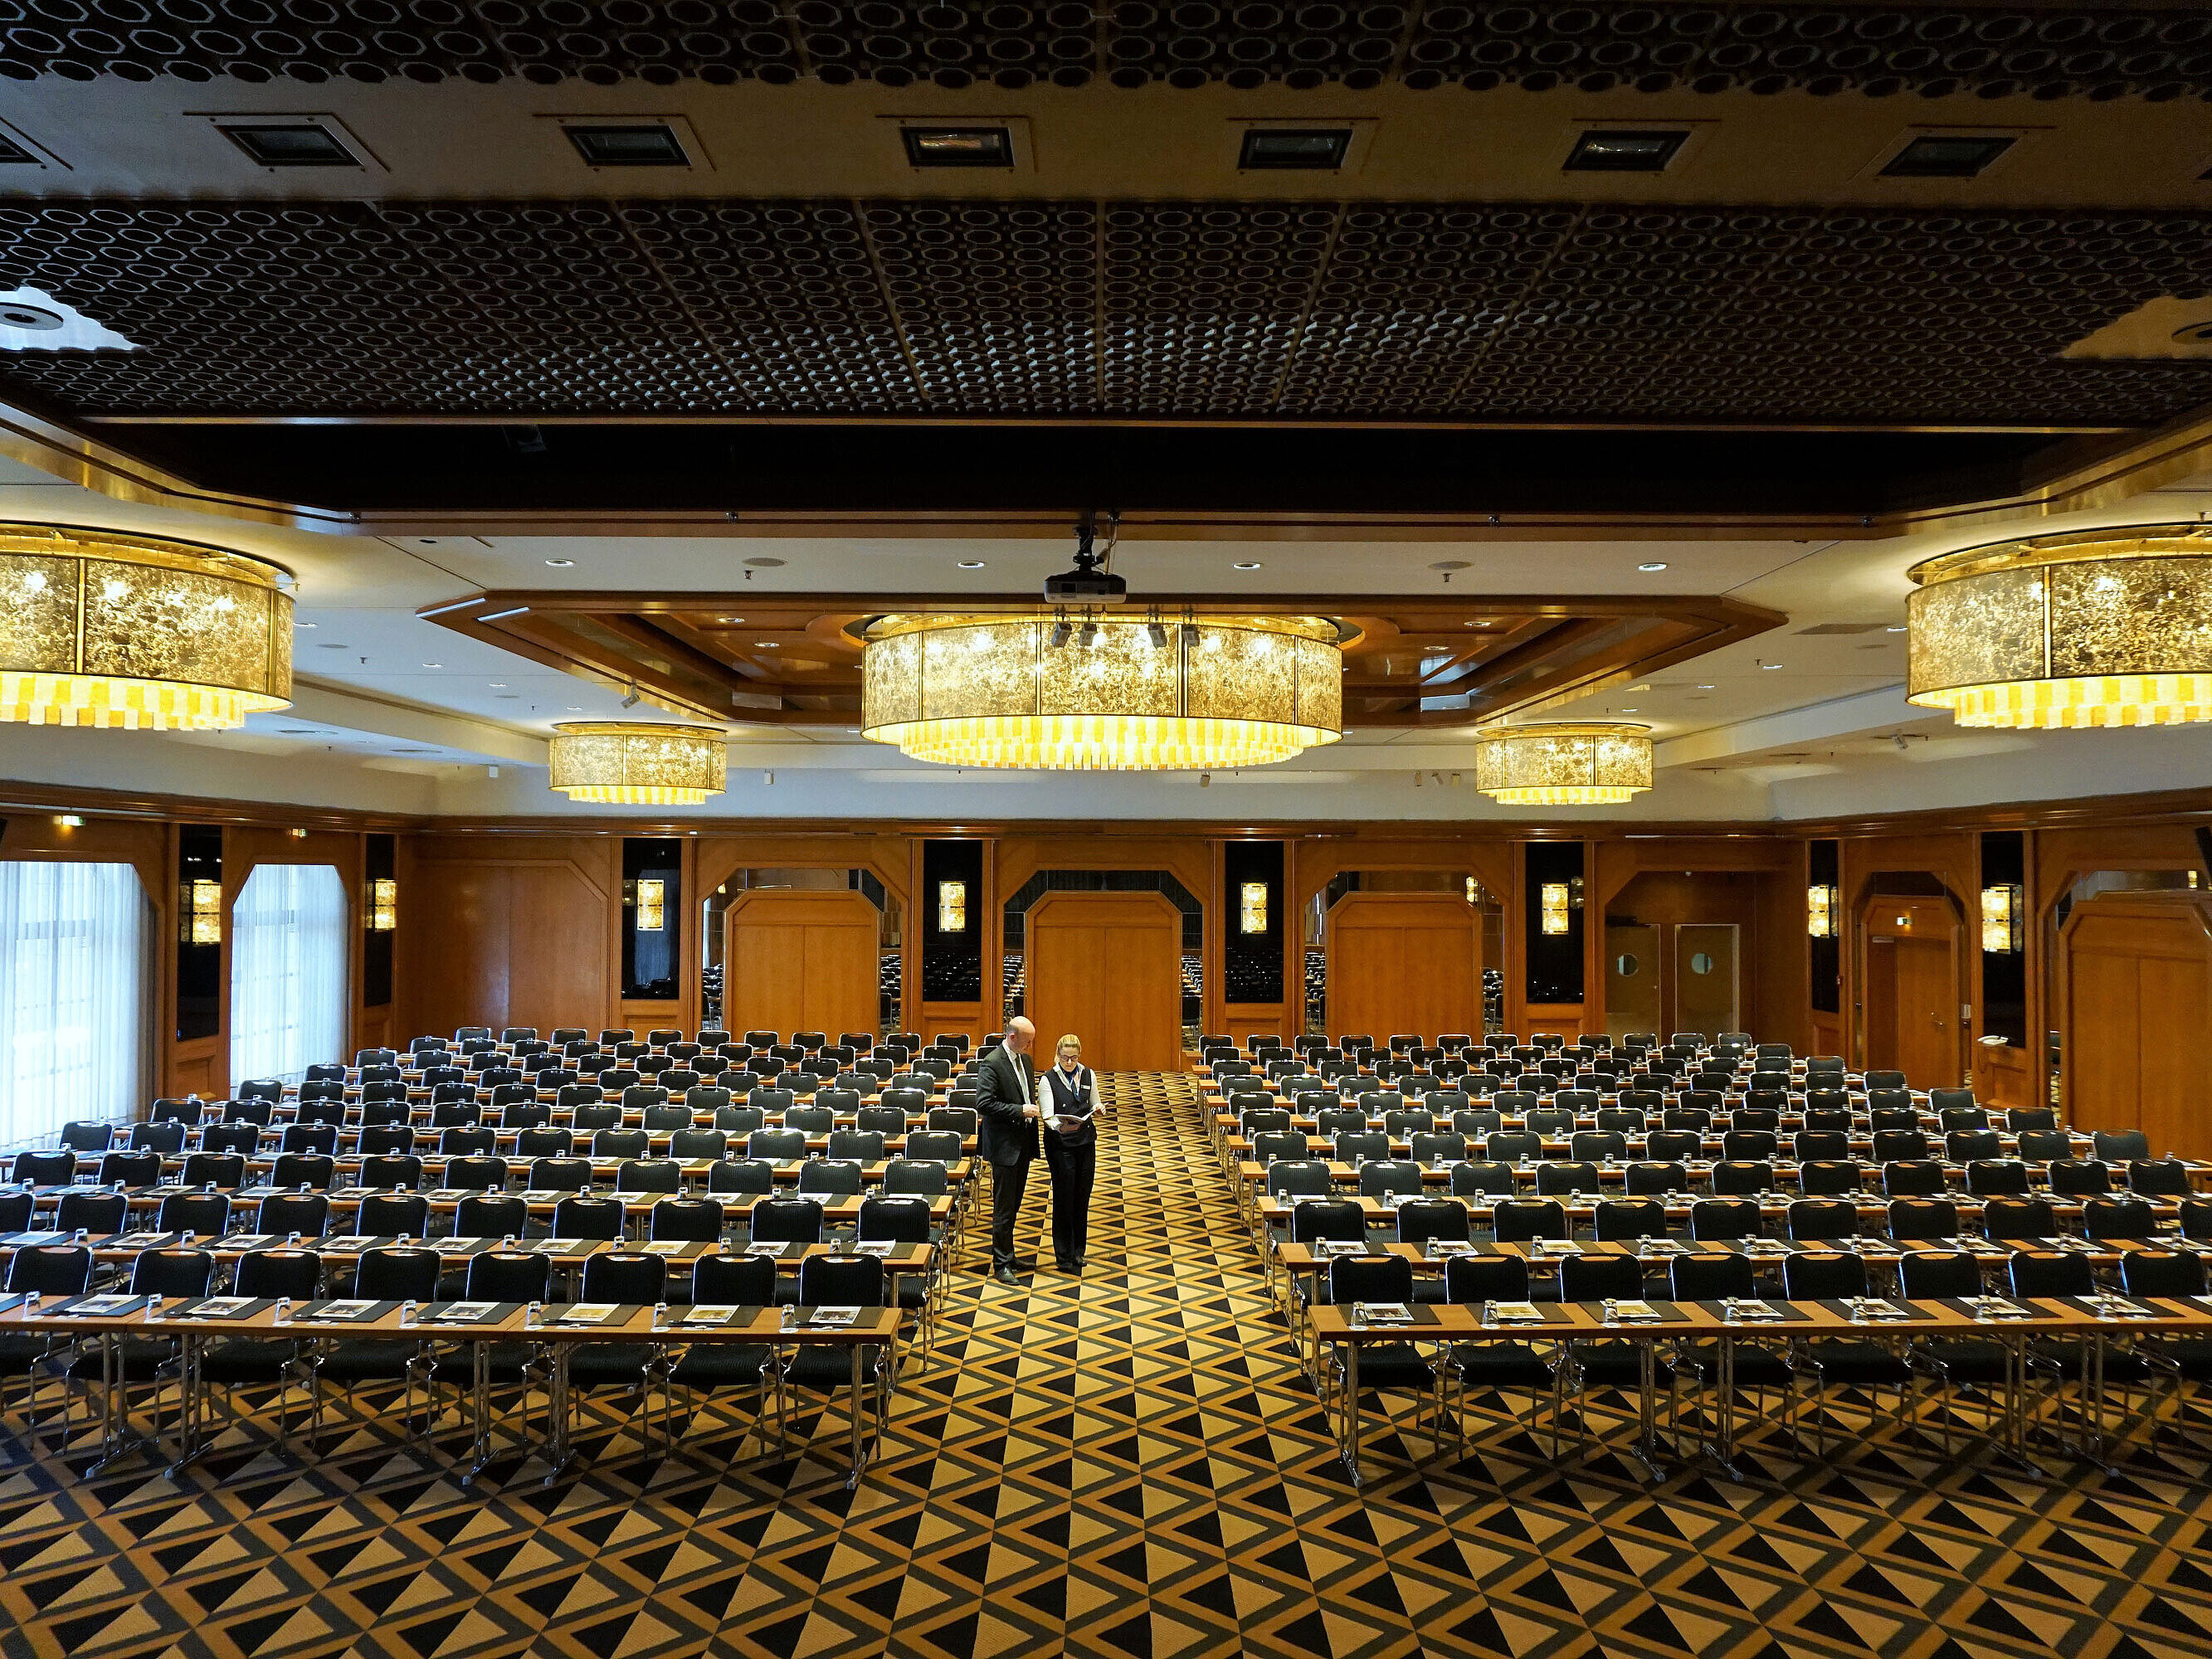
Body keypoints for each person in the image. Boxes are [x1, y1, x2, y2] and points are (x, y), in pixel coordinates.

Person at [974, 1016, 1040, 1287]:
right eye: (1026, 1042)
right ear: (1012, 1037)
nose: (1029, 1047)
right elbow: (984, 1103)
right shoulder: (992, 1063)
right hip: (1003, 1146)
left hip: (1022, 1143)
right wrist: (1020, 1111)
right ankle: (1000, 1262)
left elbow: (1027, 1094)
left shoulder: (1025, 1060)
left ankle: (1009, 1255)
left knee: (1014, 1205)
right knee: (1003, 1208)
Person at [1040, 1032, 1100, 1272]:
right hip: (1061, 1145)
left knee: (1082, 1197)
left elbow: (1094, 1101)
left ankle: (1078, 1251)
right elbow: (1047, 1115)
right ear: (1057, 1054)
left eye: (1073, 1058)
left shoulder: (1088, 1074)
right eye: (1065, 1057)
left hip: (1085, 1142)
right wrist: (1060, 1126)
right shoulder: (1048, 1079)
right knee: (1064, 1197)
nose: (1069, 1063)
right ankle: (1063, 1254)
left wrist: (1098, 1109)